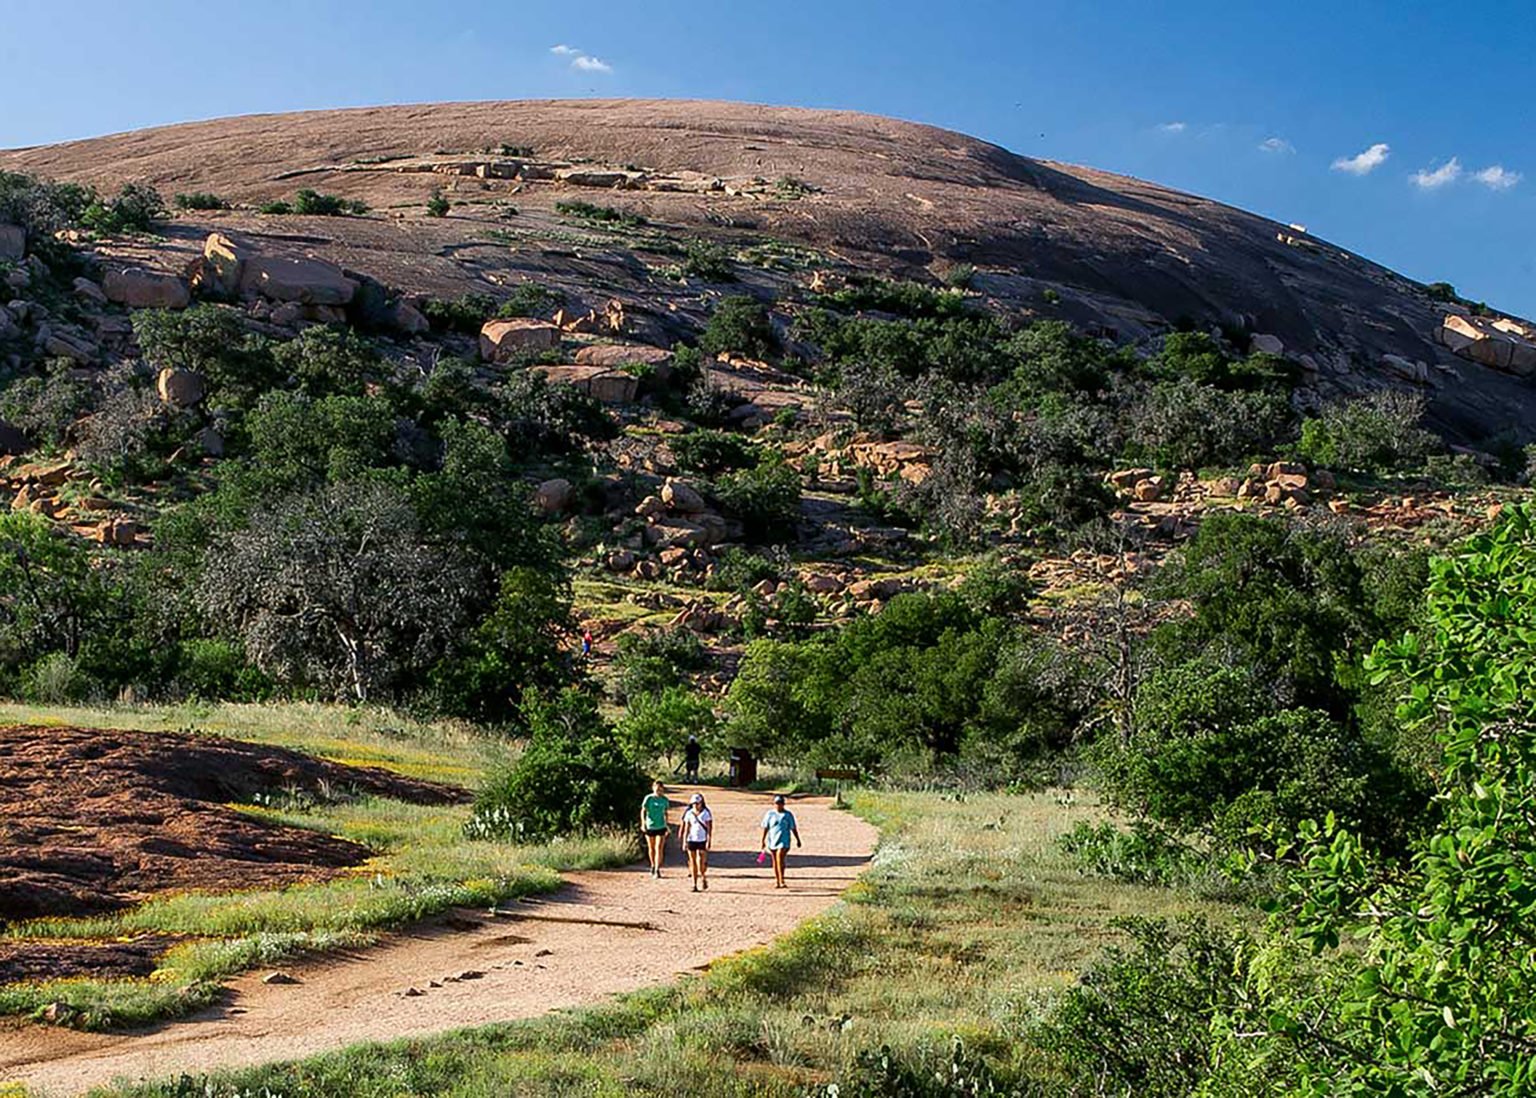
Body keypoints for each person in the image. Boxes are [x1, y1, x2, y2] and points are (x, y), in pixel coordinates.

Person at [759, 794, 802, 889]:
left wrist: (798, 839)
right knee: (775, 860)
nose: (779, 805)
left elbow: (793, 828)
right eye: (777, 803)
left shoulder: (788, 815)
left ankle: (782, 879)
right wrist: (763, 840)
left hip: (784, 840)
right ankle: (777, 880)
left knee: (780, 857)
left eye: (781, 803)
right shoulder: (770, 814)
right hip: (773, 840)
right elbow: (766, 828)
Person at [679, 792, 713, 892]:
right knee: (693, 861)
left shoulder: (706, 813)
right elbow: (686, 827)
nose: (696, 805)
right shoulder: (689, 813)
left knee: (701, 862)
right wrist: (684, 841)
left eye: (698, 803)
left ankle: (703, 876)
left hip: (702, 839)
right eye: (694, 803)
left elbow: (709, 828)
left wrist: (709, 840)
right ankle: (694, 884)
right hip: (691, 839)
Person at [640, 780, 671, 878]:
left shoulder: (664, 800)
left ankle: (657, 868)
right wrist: (643, 823)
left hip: (661, 826)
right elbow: (643, 811)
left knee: (659, 848)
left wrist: (667, 825)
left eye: (660, 789)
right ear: (653, 788)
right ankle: (652, 865)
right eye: (657, 789)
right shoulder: (648, 798)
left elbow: (665, 813)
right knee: (651, 848)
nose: (658, 791)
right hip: (650, 825)